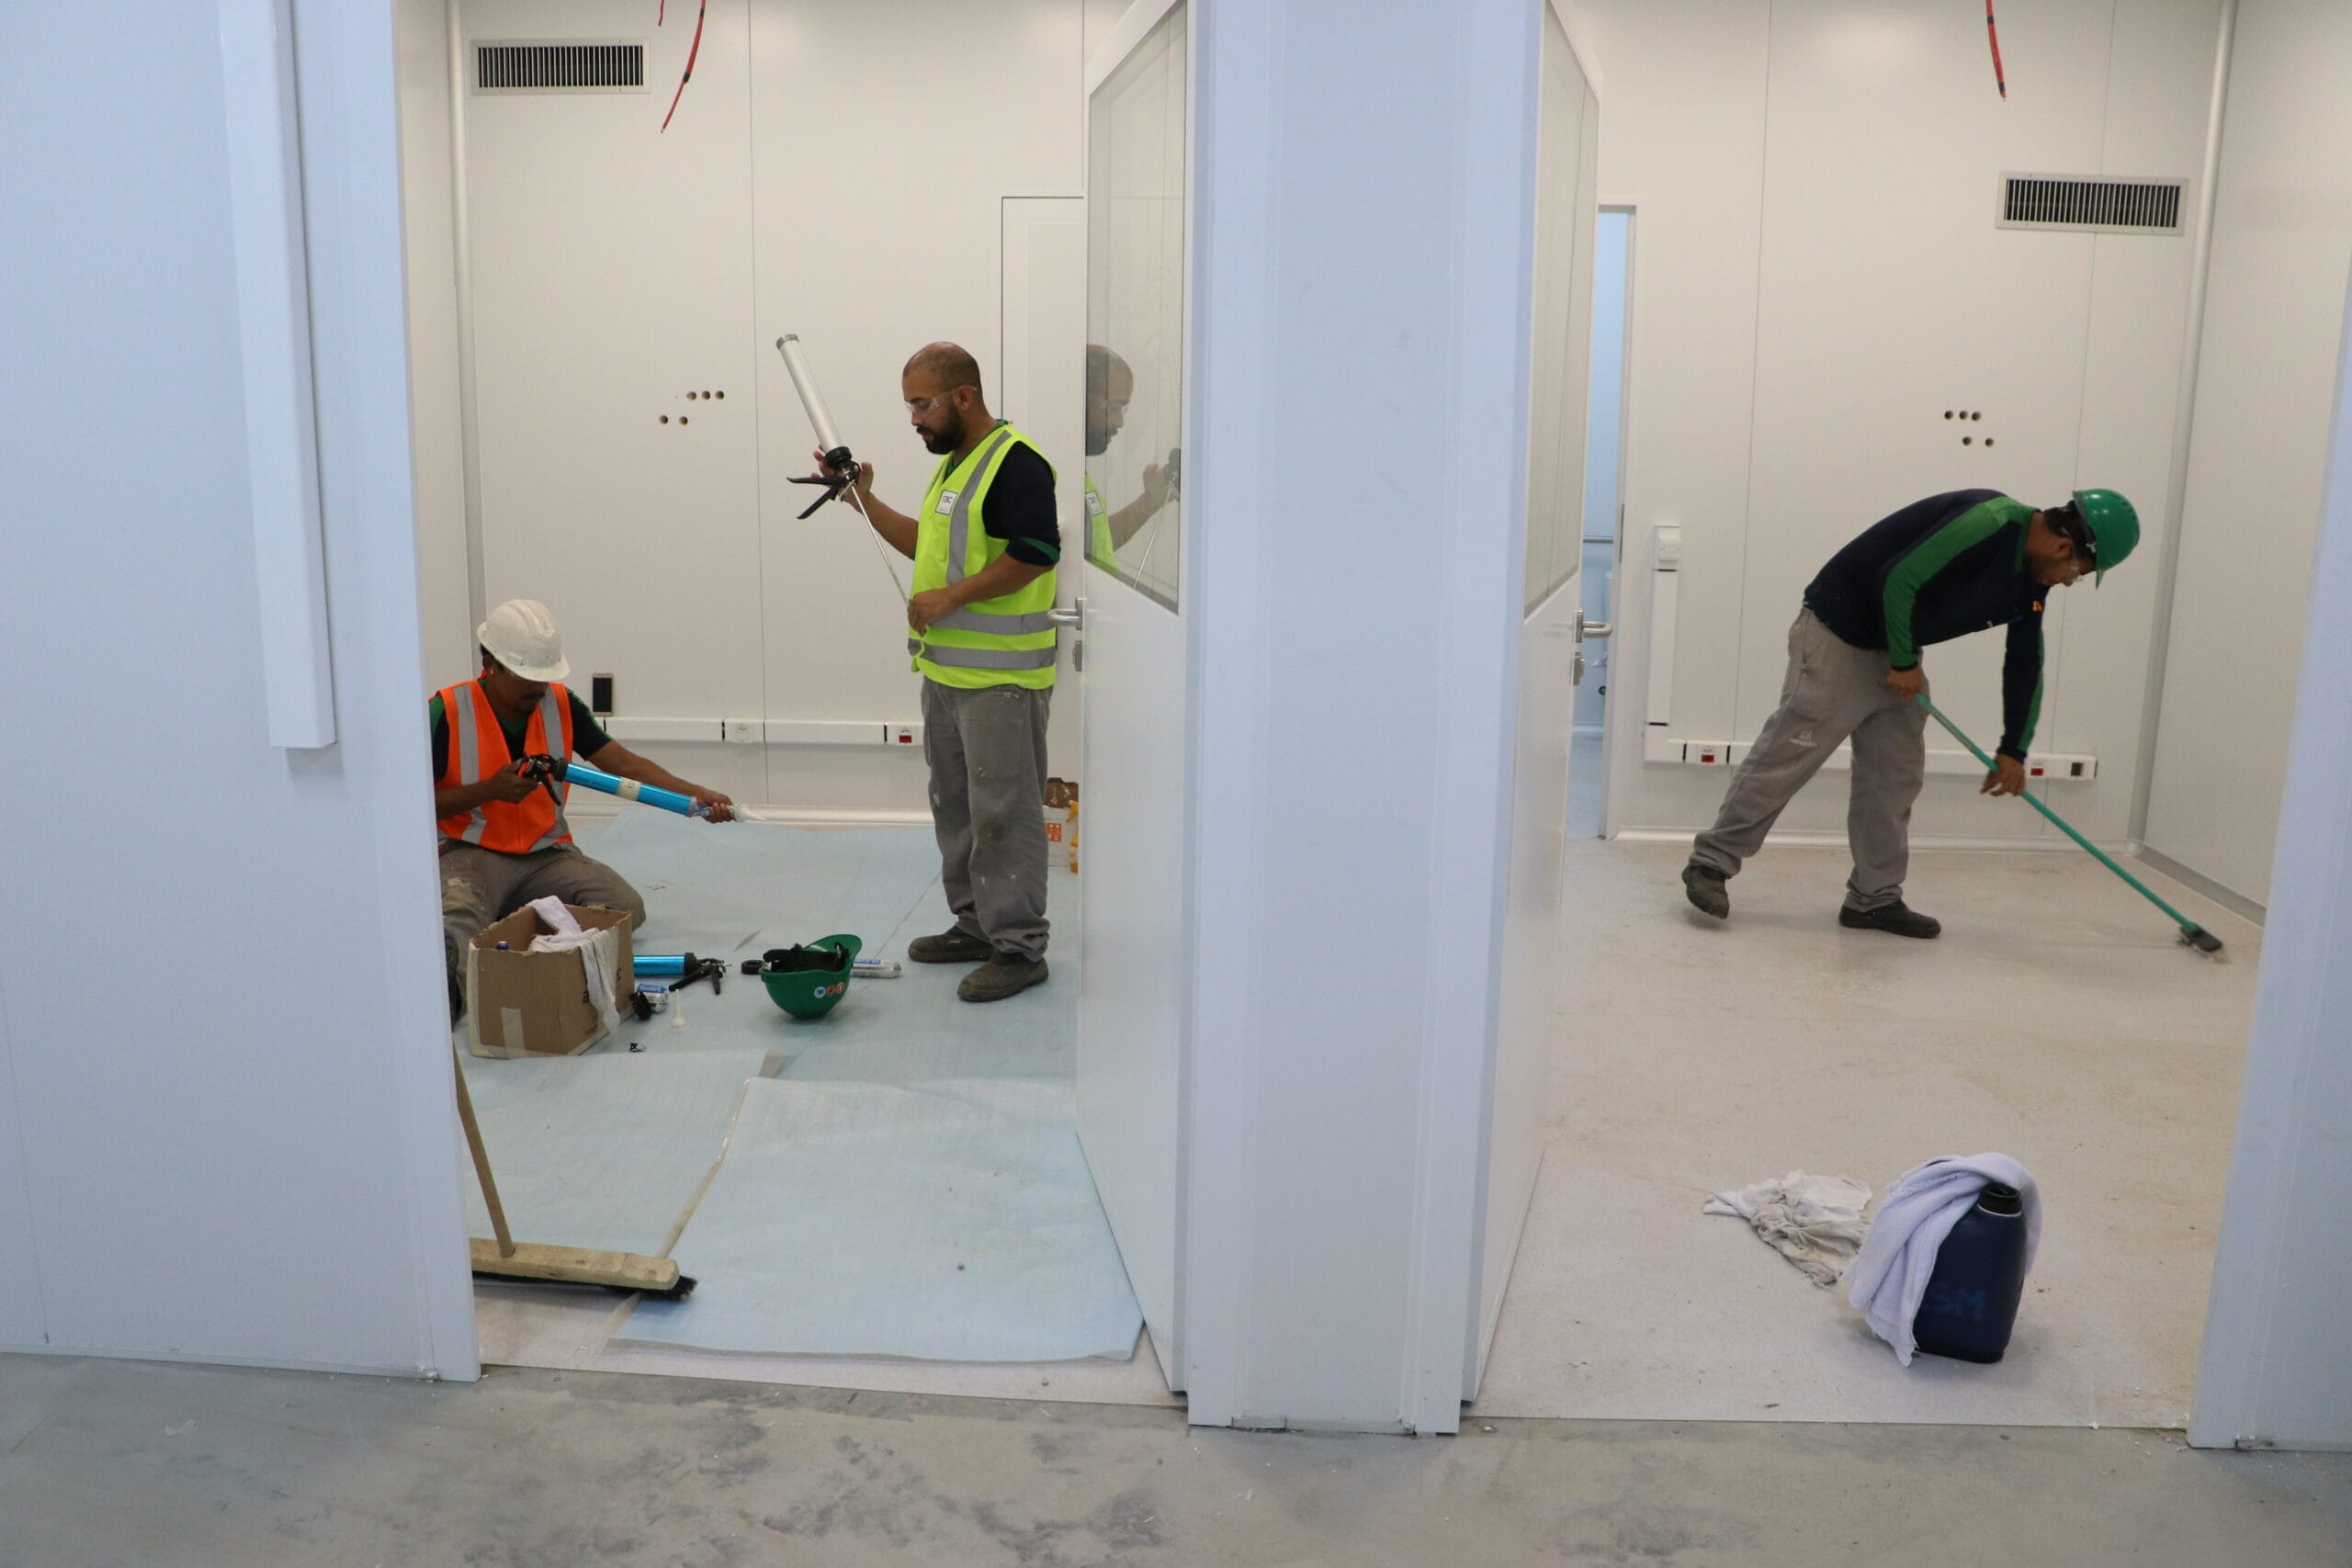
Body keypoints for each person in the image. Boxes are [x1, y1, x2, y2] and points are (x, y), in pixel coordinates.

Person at [1683, 488, 2140, 937]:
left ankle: (1873, 898)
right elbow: (1899, 577)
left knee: (1894, 776)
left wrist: (2014, 749)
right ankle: (1711, 863)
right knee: (1789, 754)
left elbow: (2025, 660)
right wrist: (1903, 662)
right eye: (2077, 572)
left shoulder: (2030, 583)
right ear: (2064, 546)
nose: (2067, 581)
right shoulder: (1989, 521)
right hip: (1839, 632)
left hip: (1897, 649)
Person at [813, 342, 1060, 1002]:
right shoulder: (957, 466)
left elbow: (1037, 552)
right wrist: (860, 500)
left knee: (1003, 813)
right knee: (955, 806)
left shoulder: (1016, 463)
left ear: (963, 396)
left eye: (921, 404)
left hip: (1002, 682)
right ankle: (975, 926)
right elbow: (929, 545)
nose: (914, 418)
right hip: (949, 677)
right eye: (909, 405)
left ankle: (1018, 946)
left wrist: (951, 599)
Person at [434, 599, 736, 1021]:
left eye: (543, 677)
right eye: (525, 677)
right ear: (490, 662)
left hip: (546, 855)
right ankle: (450, 1011)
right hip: (472, 852)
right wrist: (490, 790)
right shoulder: (446, 711)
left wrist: (695, 794)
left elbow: (624, 766)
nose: (536, 688)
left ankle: (509, 921)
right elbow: (412, 804)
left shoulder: (560, 704)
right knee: (455, 928)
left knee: (624, 909)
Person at [1081, 344, 1174, 570]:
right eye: (1113, 407)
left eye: (1122, 410)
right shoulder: (1039, 474)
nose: (1119, 422)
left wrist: (1150, 500)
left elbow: (1094, 543)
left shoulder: (1074, 472)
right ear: (1079, 397)